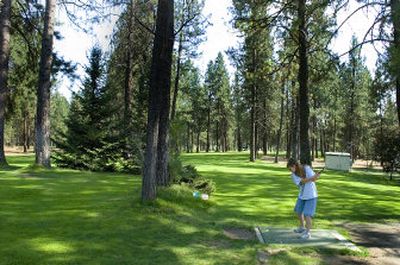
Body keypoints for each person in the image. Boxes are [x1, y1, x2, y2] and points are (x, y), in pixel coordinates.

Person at [287, 158, 320, 240]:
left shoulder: (306, 168)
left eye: (290, 168)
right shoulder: (293, 175)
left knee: (307, 214)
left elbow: (315, 179)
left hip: (311, 195)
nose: (290, 170)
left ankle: (308, 233)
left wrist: (316, 177)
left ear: (294, 166)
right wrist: (311, 178)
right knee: (298, 211)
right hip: (302, 195)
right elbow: (301, 182)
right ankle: (302, 227)